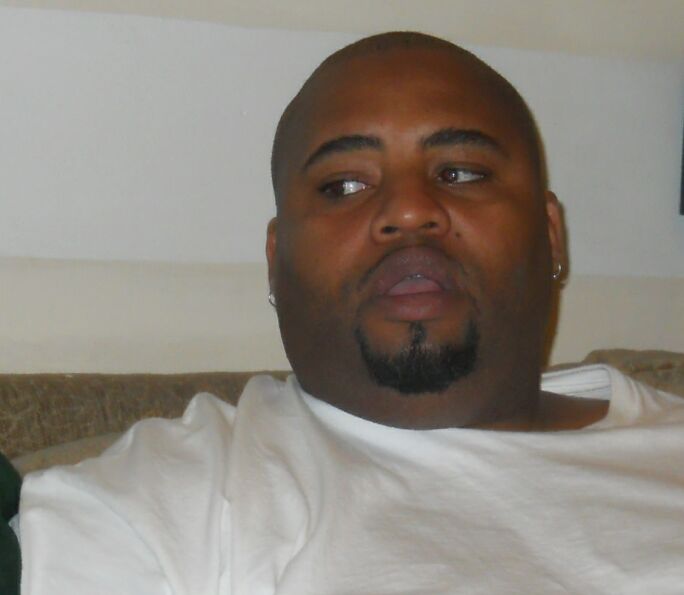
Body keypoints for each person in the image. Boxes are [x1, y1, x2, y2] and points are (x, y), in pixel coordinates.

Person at [18, 32, 684, 594]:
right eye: (343, 186)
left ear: (551, 234)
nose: (409, 210)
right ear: (276, 261)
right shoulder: (155, 505)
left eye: (460, 172)